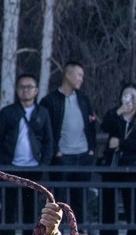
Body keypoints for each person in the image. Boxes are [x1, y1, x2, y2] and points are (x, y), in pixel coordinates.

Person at [0, 73, 53, 235]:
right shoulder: (8, 112)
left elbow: (49, 140)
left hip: (34, 168)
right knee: (8, 208)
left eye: (29, 87)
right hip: (12, 167)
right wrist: (2, 162)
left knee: (31, 209)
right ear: (17, 90)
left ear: (36, 90)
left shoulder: (43, 113)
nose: (26, 90)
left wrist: (44, 164)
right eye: (22, 87)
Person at [40, 61, 99, 220]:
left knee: (80, 199)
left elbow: (91, 124)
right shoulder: (50, 100)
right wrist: (55, 151)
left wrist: (91, 149)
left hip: (83, 156)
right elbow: (46, 128)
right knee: (59, 199)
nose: (81, 79)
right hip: (62, 157)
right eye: (79, 75)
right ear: (68, 75)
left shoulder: (83, 99)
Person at [99, 85, 136, 235]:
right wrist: (119, 112)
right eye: (126, 95)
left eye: (133, 96)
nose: (129, 99)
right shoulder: (116, 113)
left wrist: (121, 143)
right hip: (112, 165)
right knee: (108, 204)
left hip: (132, 166)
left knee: (131, 205)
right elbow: (104, 126)